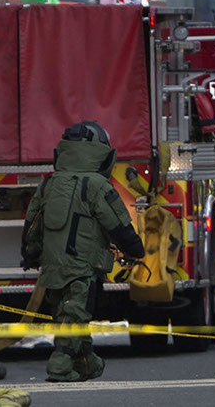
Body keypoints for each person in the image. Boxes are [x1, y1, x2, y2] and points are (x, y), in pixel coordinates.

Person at [21, 120, 144, 382]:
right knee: (75, 316)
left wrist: (30, 254)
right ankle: (60, 366)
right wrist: (135, 250)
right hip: (83, 268)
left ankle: (87, 364)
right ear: (101, 152)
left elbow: (32, 223)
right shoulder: (98, 185)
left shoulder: (49, 184)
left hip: (52, 268)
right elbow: (118, 225)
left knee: (67, 315)